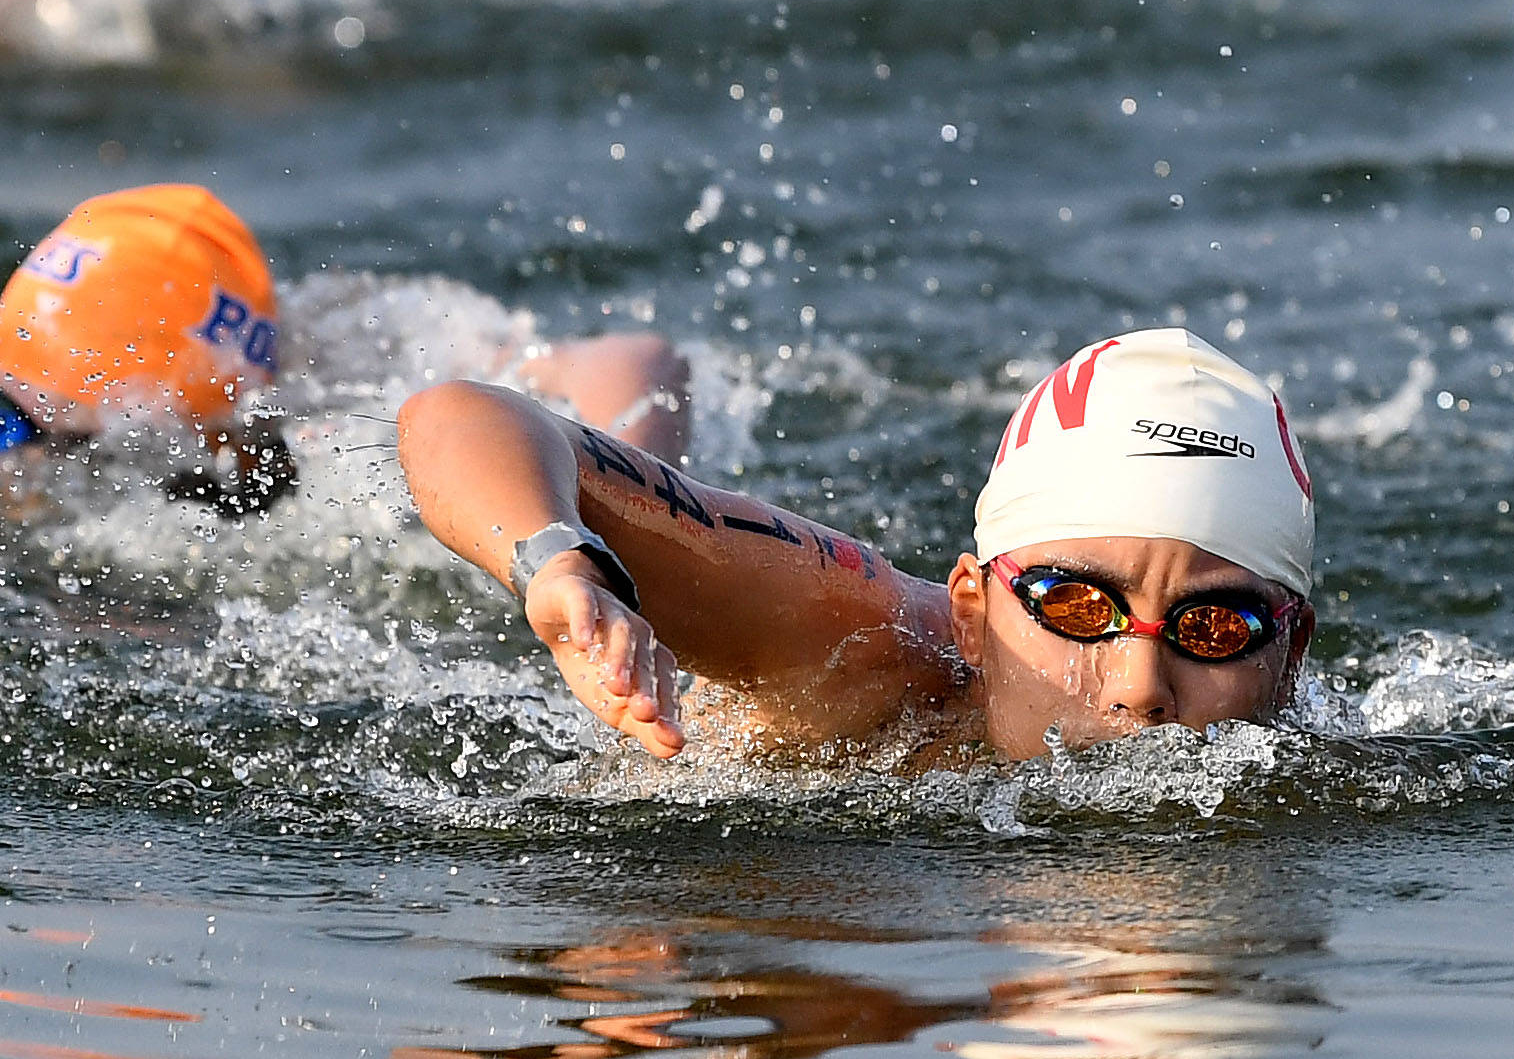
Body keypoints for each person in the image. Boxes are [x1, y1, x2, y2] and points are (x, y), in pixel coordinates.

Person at [394, 326, 1315, 766]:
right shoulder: (857, 646)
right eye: (1076, 606)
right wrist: (559, 565)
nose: (1141, 686)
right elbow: (459, 414)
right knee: (624, 488)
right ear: (971, 613)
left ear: (1292, 654)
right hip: (659, 640)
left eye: (1216, 628)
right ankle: (619, 375)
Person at [0, 182, 691, 515]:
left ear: (190, 407)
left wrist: (620, 530)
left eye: (27, 431)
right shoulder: (20, 410)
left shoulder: (360, 378)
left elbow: (640, 361)